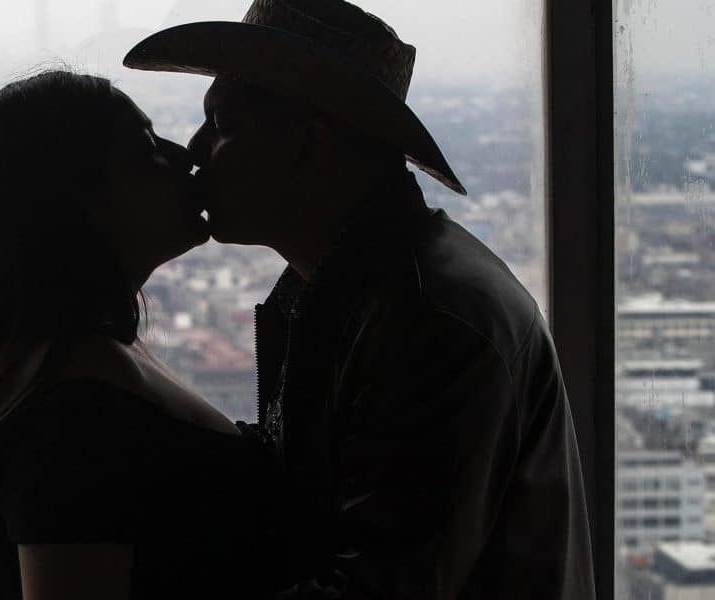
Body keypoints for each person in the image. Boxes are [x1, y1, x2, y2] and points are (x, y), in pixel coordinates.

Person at [124, 0, 597, 598]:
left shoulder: (426, 321)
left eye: (221, 125)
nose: (194, 149)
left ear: (307, 145)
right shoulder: (378, 291)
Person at [0, 70, 289, 600]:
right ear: (78, 206)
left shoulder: (74, 368)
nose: (185, 154)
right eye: (146, 150)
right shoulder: (70, 418)